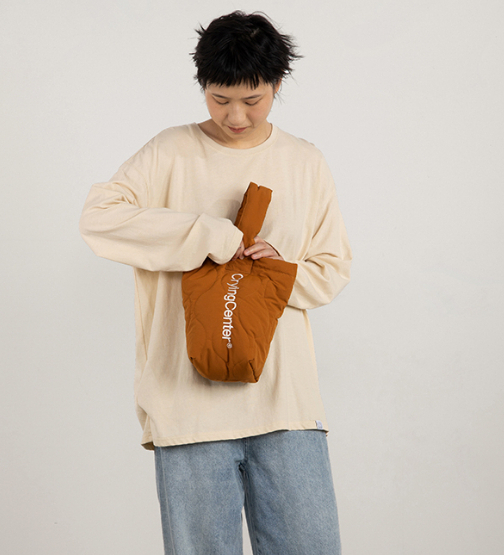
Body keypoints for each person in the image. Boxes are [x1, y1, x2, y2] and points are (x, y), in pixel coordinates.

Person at [79, 10, 352, 555]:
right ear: (202, 85)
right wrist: (204, 234)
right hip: (187, 407)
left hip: (286, 404)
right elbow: (98, 218)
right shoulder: (169, 151)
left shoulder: (303, 161)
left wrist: (275, 272)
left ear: (277, 84)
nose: (234, 116)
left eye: (252, 100)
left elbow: (331, 269)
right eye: (219, 98)